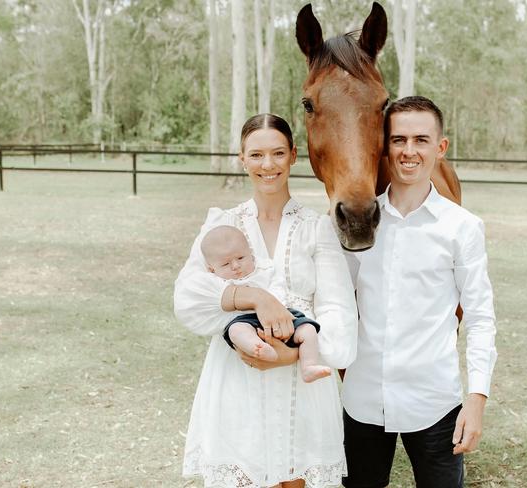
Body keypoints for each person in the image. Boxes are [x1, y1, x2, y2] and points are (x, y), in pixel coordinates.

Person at [174, 113, 357, 488]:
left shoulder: (316, 227)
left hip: (303, 388)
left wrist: (292, 355)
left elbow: (339, 313)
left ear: (293, 155)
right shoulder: (222, 224)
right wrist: (254, 296)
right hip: (238, 383)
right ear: (242, 159)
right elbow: (188, 298)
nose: (267, 165)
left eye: (277, 153)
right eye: (256, 155)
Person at [341, 96, 497, 488]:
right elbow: (335, 304)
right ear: (384, 147)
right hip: (361, 403)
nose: (409, 151)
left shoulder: (463, 228)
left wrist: (476, 400)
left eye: (421, 140)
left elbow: (479, 317)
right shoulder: (355, 226)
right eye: (398, 140)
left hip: (434, 403)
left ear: (440, 148)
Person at [200, 224, 332, 382]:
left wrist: (274, 305)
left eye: (241, 258)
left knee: (308, 329)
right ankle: (258, 347)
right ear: (212, 269)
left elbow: (278, 285)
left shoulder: (264, 269)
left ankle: (308, 366)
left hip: (281, 314)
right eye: (226, 264)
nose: (236, 266)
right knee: (235, 331)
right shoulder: (215, 282)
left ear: (251, 253)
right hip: (244, 319)